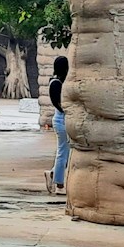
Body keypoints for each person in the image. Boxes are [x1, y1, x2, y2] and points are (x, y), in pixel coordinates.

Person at [45, 56, 70, 194]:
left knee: (67, 153)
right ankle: (59, 185)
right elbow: (58, 103)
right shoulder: (55, 83)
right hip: (61, 120)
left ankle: (54, 174)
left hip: (65, 120)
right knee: (62, 152)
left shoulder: (61, 81)